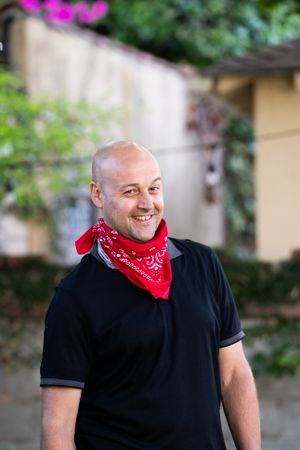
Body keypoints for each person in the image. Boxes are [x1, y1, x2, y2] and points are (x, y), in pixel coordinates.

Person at [40, 140, 261, 450]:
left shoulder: (202, 264)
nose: (147, 203)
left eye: (154, 188)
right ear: (97, 194)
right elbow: (58, 426)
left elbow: (234, 374)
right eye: (131, 191)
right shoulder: (75, 296)